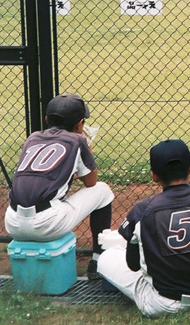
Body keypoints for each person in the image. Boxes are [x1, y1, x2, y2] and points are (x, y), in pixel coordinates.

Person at [97, 139, 190, 317]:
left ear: (154, 176)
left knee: (106, 257)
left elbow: (133, 265)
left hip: (162, 304)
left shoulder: (142, 210)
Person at [4, 93, 114, 278]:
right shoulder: (78, 141)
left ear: (47, 119)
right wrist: (87, 151)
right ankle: (98, 259)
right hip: (47, 224)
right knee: (103, 191)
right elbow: (91, 182)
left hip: (13, 222)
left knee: (52, 198)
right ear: (80, 124)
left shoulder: (32, 138)